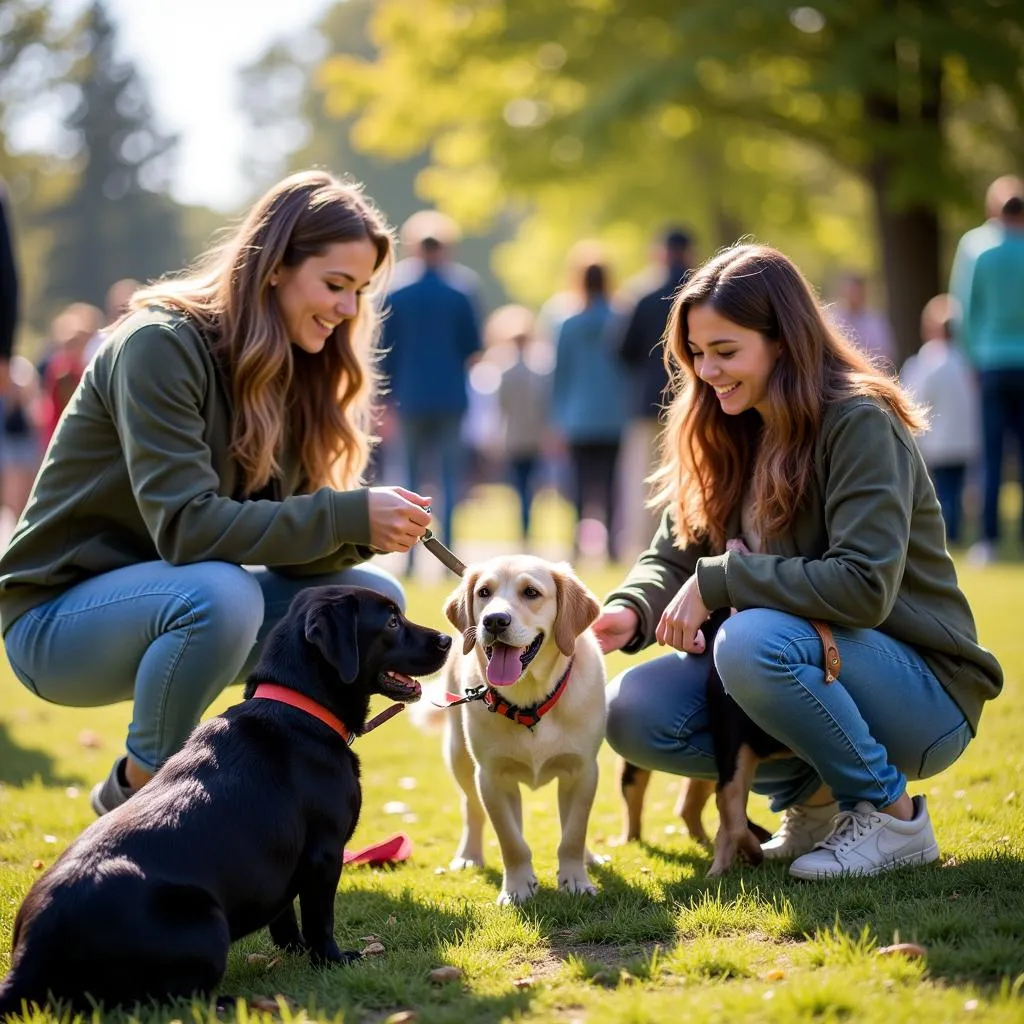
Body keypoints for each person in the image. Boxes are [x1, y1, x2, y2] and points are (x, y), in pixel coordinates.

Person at [0, 170, 434, 815]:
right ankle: (144, 792)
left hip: (176, 601)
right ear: (275, 268)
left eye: (360, 291)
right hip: (56, 622)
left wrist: (357, 530)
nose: (349, 309)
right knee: (221, 593)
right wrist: (344, 514)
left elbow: (292, 554)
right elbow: (188, 529)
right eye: (336, 285)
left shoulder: (296, 368)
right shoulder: (158, 345)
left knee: (370, 598)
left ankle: (273, 789)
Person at [594, 244, 1002, 880]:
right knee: (631, 711)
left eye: (726, 352)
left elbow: (864, 587)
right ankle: (810, 808)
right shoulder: (726, 422)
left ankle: (892, 818)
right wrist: (629, 609)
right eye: (696, 354)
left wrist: (724, 581)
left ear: (783, 340)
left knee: (750, 641)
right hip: (816, 662)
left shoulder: (859, 420)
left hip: (925, 691)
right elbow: (676, 550)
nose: (707, 372)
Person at [381, 227, 481, 560]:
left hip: (408, 396)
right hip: (451, 396)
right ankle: (446, 552)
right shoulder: (461, 291)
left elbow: (384, 351)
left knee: (408, 478)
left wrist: (384, 399)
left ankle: (407, 552)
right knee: (450, 479)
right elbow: (473, 348)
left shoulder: (397, 292)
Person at [950, 188, 1024, 565]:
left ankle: (990, 539)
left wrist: (970, 358)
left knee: (992, 453)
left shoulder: (977, 246)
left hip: (991, 361)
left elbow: (963, 306)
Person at [617, 226, 695, 558]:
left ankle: (647, 545)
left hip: (649, 399)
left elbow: (622, 351)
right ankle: (687, 538)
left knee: (646, 477)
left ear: (661, 252)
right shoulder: (703, 292)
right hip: (694, 397)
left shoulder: (643, 295)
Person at [551, 258, 630, 562]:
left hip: (578, 416)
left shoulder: (569, 323)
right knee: (611, 484)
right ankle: (611, 545)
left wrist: (556, 417)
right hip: (613, 414)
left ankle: (576, 543)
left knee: (580, 484)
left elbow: (560, 372)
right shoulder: (619, 319)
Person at [900, 295, 980, 546]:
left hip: (939, 440)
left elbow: (914, 396)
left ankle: (947, 535)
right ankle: (953, 533)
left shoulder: (928, 361)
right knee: (954, 491)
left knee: (942, 491)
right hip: (964, 439)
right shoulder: (965, 361)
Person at [828, 271, 896, 367]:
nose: (852, 295)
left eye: (855, 291)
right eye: (850, 291)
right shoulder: (833, 320)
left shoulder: (875, 322)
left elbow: (886, 353)